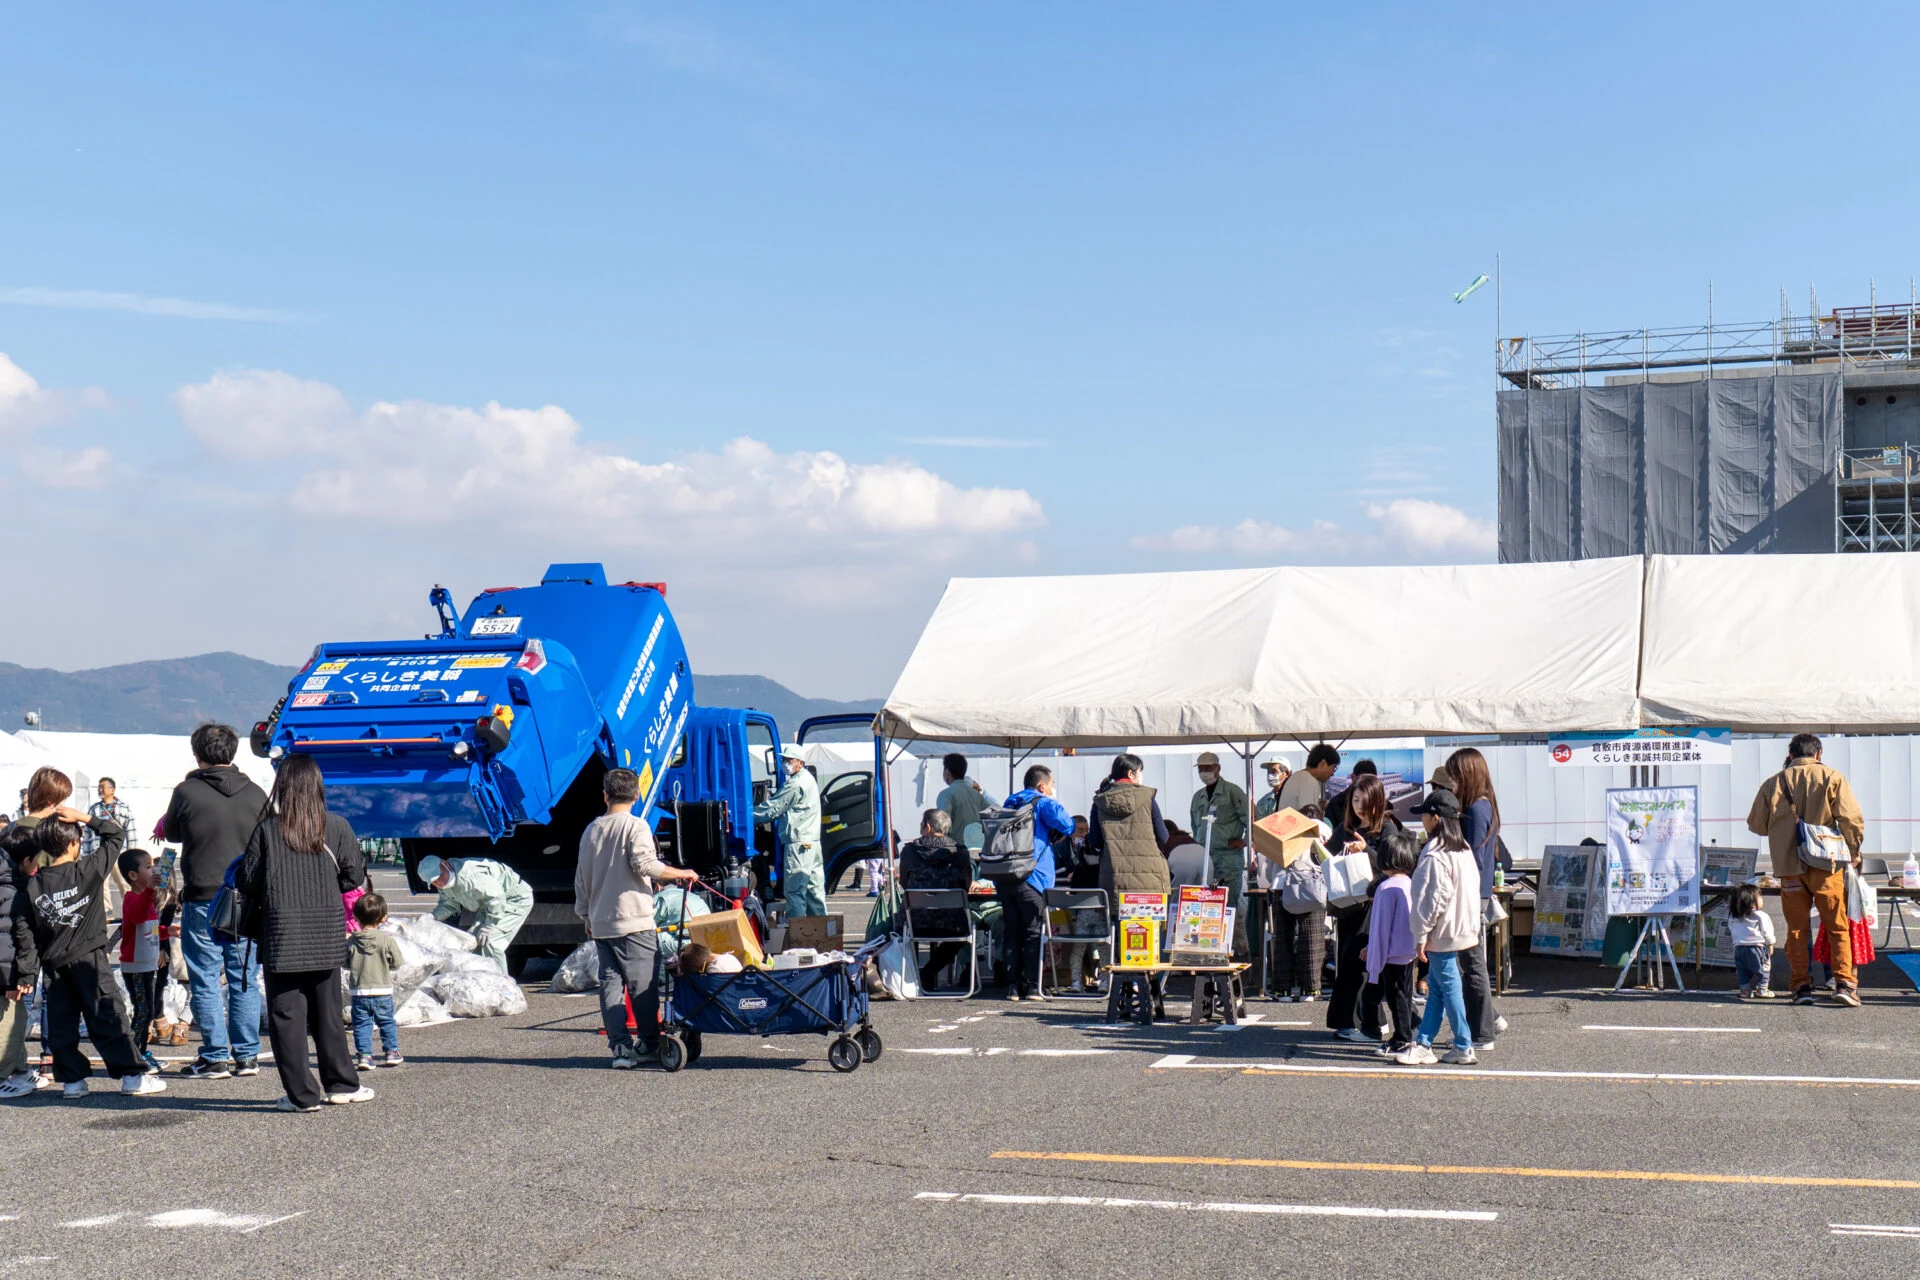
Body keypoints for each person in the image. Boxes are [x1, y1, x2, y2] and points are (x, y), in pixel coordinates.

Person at [239, 753, 370, 1111]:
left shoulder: (267, 829)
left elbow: (247, 881)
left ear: (282, 787)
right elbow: (354, 878)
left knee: (287, 1019)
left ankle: (303, 1096)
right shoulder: (337, 825)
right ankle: (342, 1084)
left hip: (282, 934)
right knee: (328, 1014)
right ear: (316, 786)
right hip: (326, 932)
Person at [12, 816, 163, 1098]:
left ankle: (72, 1082)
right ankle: (132, 1077)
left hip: (54, 966)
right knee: (107, 1015)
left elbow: (25, 935)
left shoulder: (31, 886)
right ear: (73, 844)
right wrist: (83, 816)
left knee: (61, 1024)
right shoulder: (88, 870)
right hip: (90, 961)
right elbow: (116, 835)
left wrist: (25, 973)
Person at [161, 723, 271, 1080]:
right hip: (245, 898)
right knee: (243, 977)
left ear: (197, 753)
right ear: (233, 752)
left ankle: (215, 1056)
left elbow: (174, 833)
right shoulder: (255, 793)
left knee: (205, 978)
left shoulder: (187, 791)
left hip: (203, 896)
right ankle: (248, 1056)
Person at [573, 766, 698, 1069]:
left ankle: (620, 1049)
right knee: (643, 988)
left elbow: (582, 878)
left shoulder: (591, 829)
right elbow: (645, 864)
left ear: (605, 795)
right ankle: (651, 1044)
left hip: (602, 922)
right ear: (637, 794)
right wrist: (681, 873)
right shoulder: (636, 826)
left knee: (610, 986)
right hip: (634, 922)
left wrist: (586, 915)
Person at [1746, 733, 1866, 1007]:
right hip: (1828, 865)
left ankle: (1801, 987)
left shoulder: (1773, 783)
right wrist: (1854, 851)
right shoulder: (1833, 778)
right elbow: (1852, 819)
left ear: (1790, 754)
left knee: (1797, 930)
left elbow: (1757, 825)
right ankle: (1845, 984)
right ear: (1819, 754)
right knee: (1837, 926)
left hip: (1789, 867)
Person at [1400, 796, 1484, 1066]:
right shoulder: (1462, 848)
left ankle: (1462, 1043)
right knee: (1438, 987)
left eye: (1424, 814)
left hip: (1442, 930)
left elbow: (1431, 898)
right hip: (1461, 927)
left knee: (1448, 986)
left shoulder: (1435, 852)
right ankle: (1424, 1041)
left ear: (1435, 818)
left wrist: (1421, 934)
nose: (1422, 819)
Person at [1327, 774, 1402, 1042]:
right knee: (1350, 962)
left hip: (1376, 906)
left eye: (1363, 800)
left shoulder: (1388, 828)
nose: (1358, 806)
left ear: (1377, 800)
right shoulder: (1345, 829)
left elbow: (1394, 866)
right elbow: (1325, 855)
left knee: (1363, 964)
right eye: (1354, 799)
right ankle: (1365, 1021)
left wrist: (1365, 851)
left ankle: (1364, 1022)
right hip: (1348, 906)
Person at [994, 765, 1073, 1001]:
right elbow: (1068, 825)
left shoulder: (1010, 802)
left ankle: (1013, 987)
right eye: (1051, 785)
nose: (1052, 790)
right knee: (1032, 932)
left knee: (1011, 932)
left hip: (1006, 876)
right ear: (1041, 786)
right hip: (1033, 877)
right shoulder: (1043, 803)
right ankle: (1031, 986)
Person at [1445, 747, 1506, 1050]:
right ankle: (1489, 1019)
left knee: (1470, 963)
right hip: (1475, 893)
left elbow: (1473, 858)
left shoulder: (1477, 808)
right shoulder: (1484, 805)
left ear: (1467, 774)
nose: (1451, 780)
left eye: (1455, 774)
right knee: (1470, 960)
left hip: (1470, 894)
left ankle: (1483, 1032)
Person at [418, 853, 535, 974]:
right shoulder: (445, 883)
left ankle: (504, 986)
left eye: (440, 876)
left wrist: (490, 925)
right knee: (470, 943)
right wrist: (433, 916)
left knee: (491, 942)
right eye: (435, 882)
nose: (440, 882)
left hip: (513, 900)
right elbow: (449, 905)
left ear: (445, 864)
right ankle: (481, 981)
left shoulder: (470, 875)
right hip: (489, 906)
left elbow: (497, 897)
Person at [0, 825, 52, 1098]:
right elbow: (7, 938)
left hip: (7, 968)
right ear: (24, 861)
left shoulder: (9, 881)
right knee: (9, 1026)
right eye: (35, 860)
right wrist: (13, 977)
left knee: (14, 1023)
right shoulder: (10, 890)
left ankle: (19, 1069)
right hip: (6, 971)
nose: (36, 866)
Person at [899, 809, 974, 989]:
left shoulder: (909, 851)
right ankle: (929, 971)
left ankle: (914, 976)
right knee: (963, 935)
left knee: (901, 930)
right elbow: (965, 884)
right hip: (952, 922)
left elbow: (904, 882)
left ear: (928, 826)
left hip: (915, 919)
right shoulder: (960, 852)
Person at [1189, 752, 1250, 955]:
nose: (1204, 772)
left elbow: (1252, 819)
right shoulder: (1198, 796)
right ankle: (1209, 950)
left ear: (1218, 768)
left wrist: (1246, 841)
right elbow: (1195, 826)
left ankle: (1229, 950)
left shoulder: (1233, 792)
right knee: (1206, 907)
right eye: (1201, 768)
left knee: (1228, 907)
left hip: (1228, 858)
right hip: (1204, 859)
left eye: (1208, 768)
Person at [1365, 832, 1420, 1057]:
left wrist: (1373, 961)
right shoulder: (1409, 883)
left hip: (1390, 954)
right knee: (1404, 996)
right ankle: (1404, 1035)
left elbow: (1380, 928)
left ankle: (1402, 1039)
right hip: (1409, 951)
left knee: (1396, 998)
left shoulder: (1386, 888)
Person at [1267, 817, 1332, 1002]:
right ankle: (1309, 990)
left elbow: (1267, 871)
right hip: (1309, 888)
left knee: (1281, 938)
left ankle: (1282, 990)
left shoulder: (1281, 830)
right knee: (1311, 938)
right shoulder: (1320, 828)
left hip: (1280, 886)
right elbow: (1327, 858)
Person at [755, 744, 824, 918]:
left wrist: (745, 815)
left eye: (789, 760)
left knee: (795, 893)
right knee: (814, 893)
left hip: (798, 844)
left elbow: (773, 809)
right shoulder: (808, 778)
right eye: (783, 759)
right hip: (812, 843)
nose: (785, 763)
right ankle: (821, 933)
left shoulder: (795, 783)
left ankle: (798, 936)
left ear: (800, 762)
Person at [117, 848, 169, 1074]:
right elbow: (137, 917)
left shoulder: (147, 898)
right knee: (143, 1010)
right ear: (133, 876)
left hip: (147, 963)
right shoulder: (132, 898)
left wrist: (168, 933)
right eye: (148, 867)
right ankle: (136, 1054)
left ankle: (141, 1051)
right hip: (135, 965)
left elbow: (151, 928)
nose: (154, 870)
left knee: (147, 1009)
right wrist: (149, 891)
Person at [1090, 754, 1170, 902]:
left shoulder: (1100, 801)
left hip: (1114, 879)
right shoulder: (1147, 797)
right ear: (1131, 773)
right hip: (1150, 879)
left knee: (1119, 924)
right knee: (1149, 925)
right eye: (1140, 771)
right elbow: (1163, 836)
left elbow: (1094, 841)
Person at [347, 894, 407, 1070]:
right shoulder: (387, 940)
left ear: (356, 917)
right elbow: (397, 962)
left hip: (359, 991)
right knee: (386, 1021)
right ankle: (391, 1052)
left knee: (361, 1025)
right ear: (383, 918)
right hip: (382, 989)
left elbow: (344, 963)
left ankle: (365, 1056)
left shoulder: (352, 941)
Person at [937, 753, 997, 853]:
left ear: (947, 772)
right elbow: (995, 810)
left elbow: (942, 826)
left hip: (957, 850)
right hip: (979, 849)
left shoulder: (946, 794)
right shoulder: (977, 793)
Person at [1728, 883, 1776, 999]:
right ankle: (1762, 989)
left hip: (1739, 948)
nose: (1762, 900)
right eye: (1760, 897)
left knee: (1742, 971)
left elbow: (1732, 930)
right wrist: (1770, 944)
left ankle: (1745, 990)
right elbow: (1767, 931)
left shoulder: (1733, 916)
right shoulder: (1760, 915)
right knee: (1763, 968)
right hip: (1757, 947)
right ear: (1751, 901)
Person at [1277, 744, 1341, 815]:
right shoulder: (1308, 781)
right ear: (1323, 763)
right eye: (1333, 768)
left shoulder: (1299, 776)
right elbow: (1309, 817)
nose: (1332, 774)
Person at [1324, 759, 1378, 832]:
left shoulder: (1380, 804)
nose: (1360, 806)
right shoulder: (1335, 803)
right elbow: (1329, 833)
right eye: (1356, 800)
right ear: (1353, 777)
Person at [1164, 823, 1209, 894]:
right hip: (1205, 858)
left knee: (1176, 896)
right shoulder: (1186, 836)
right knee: (1203, 894)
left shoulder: (1164, 839)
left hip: (1180, 859)